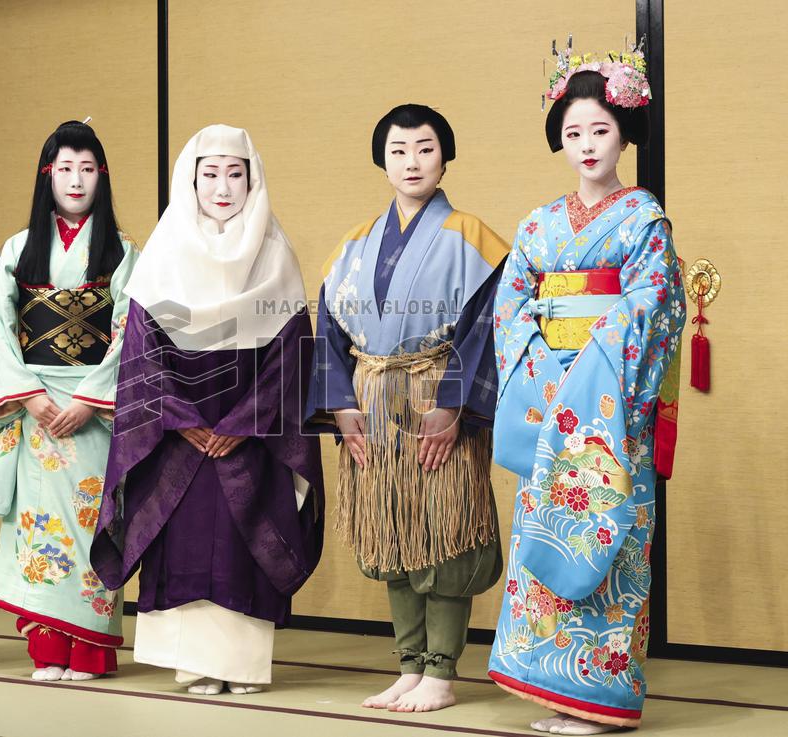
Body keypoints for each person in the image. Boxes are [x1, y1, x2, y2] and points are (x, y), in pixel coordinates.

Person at [487, 43, 686, 735]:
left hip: (604, 416)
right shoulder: (538, 224)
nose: (586, 145)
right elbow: (512, 305)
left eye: (599, 129)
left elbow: (652, 307)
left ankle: (602, 697)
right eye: (573, 132)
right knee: (545, 538)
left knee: (606, 542)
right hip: (553, 409)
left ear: (625, 132)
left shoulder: (643, 221)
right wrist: (545, 369)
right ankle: (552, 688)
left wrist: (588, 375)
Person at [91, 124, 324, 696]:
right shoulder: (165, 249)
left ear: (253, 180)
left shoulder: (275, 252)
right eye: (210, 174)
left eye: (235, 174)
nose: (223, 187)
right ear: (190, 181)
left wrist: (243, 423)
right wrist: (183, 419)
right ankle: (193, 663)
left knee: (244, 543)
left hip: (252, 433)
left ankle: (241, 667)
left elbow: (291, 354)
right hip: (178, 434)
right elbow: (142, 353)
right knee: (188, 538)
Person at [307, 104, 509, 712]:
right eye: (398, 150)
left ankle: (442, 671)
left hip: (435, 403)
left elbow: (487, 330)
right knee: (391, 530)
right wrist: (341, 408)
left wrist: (452, 408)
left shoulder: (474, 239)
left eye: (424, 148)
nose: (412, 161)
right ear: (383, 161)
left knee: (444, 533)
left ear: (445, 155)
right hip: (371, 405)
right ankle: (408, 663)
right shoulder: (354, 245)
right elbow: (329, 335)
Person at [0, 120, 138, 682]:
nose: (76, 180)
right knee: (39, 524)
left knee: (92, 522)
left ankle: (91, 651)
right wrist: (30, 397)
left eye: (87, 168)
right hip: (37, 406)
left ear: (102, 176)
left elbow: (131, 330)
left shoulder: (122, 251)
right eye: (65, 168)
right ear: (47, 176)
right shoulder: (21, 248)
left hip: (93, 411)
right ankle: (48, 649)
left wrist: (92, 399)